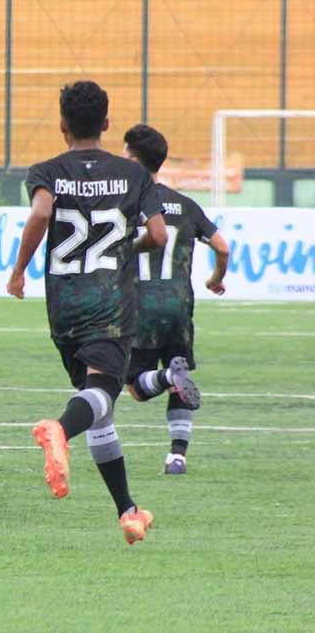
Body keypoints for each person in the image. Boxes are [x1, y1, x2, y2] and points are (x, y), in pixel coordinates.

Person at [6, 81, 166, 545]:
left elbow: (39, 214)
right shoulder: (135, 175)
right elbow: (157, 235)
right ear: (107, 124)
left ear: (62, 125)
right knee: (99, 395)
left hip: (63, 305)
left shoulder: (46, 170)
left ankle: (128, 511)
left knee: (100, 405)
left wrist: (18, 270)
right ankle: (59, 427)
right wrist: (124, 246)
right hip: (111, 303)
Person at [121, 124, 230, 474]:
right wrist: (216, 278)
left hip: (140, 306)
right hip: (179, 305)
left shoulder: (126, 204)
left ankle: (168, 375)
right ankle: (177, 457)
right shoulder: (185, 204)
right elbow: (223, 247)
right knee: (176, 381)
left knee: (137, 388)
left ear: (135, 161)